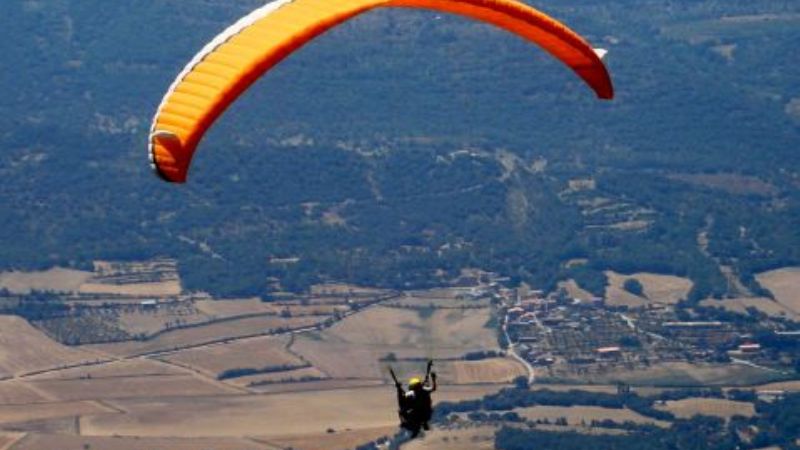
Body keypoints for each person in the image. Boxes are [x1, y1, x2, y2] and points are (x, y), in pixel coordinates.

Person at [390, 361, 437, 437]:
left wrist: (399, 390)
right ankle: (420, 426)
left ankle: (415, 427)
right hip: (425, 414)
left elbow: (402, 402)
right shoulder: (424, 390)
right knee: (404, 411)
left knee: (402, 411)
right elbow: (433, 388)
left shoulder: (413, 393)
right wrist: (434, 379)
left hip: (418, 416)